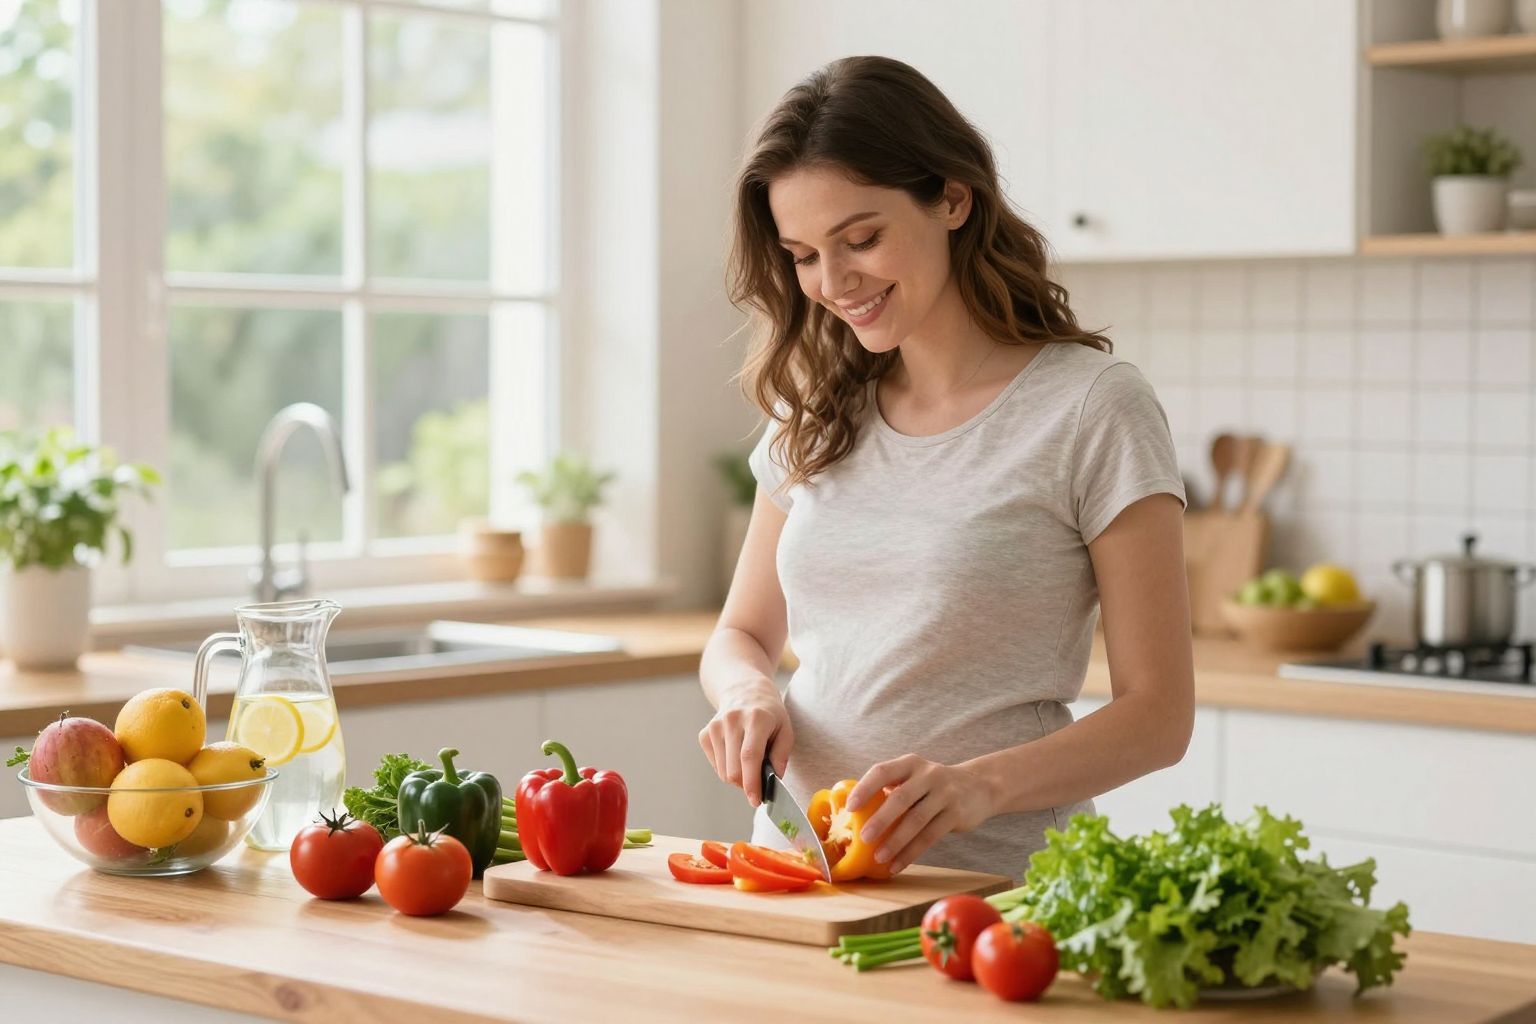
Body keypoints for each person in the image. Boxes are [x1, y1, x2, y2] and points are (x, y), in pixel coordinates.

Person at [698, 55, 1194, 880]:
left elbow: (1158, 718)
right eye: (804, 254)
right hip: (797, 875)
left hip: (999, 892)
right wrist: (746, 692)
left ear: (953, 199)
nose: (834, 282)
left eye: (862, 239)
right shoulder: (814, 407)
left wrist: (976, 787)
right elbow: (741, 635)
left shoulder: (1091, 407)